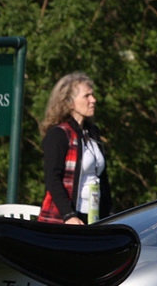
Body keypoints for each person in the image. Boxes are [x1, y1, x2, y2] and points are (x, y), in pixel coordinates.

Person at [38, 73, 108, 224]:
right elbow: (52, 179)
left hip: (93, 216)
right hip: (64, 219)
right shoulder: (59, 134)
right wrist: (69, 215)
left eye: (93, 95)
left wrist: (110, 214)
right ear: (69, 102)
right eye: (87, 96)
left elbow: (103, 179)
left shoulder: (93, 132)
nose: (93, 100)